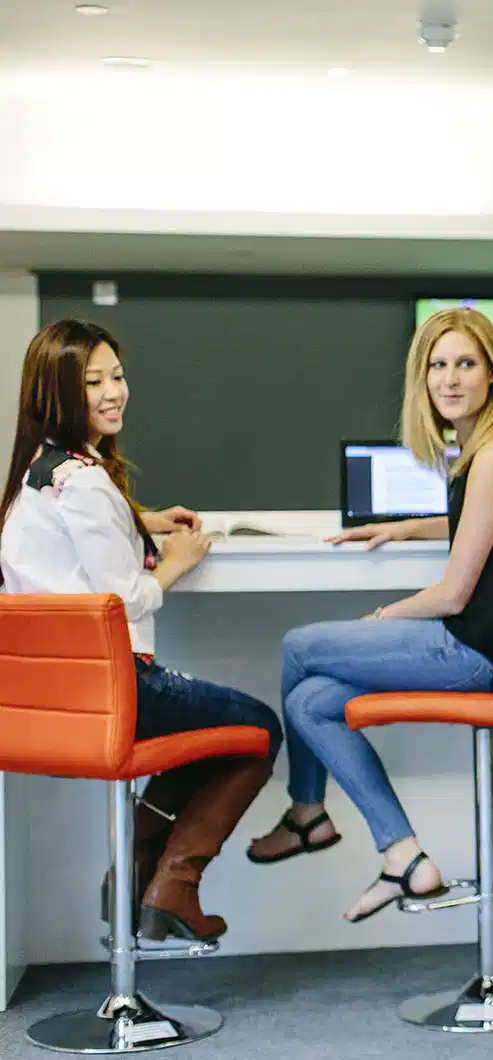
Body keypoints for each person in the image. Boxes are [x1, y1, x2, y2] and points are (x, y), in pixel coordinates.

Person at [245, 307, 493, 922]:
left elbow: (452, 596)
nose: (450, 378)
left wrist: (384, 617)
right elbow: (488, 523)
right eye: (437, 365)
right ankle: (405, 858)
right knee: (310, 702)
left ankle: (307, 811)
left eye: (465, 364)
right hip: (492, 647)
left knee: (300, 645)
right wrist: (406, 528)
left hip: (474, 652)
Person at [0, 318, 282, 943]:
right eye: (92, 382)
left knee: (208, 733)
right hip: (117, 692)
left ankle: (136, 871)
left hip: (52, 703)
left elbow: (72, 539)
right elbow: (125, 599)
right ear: (56, 394)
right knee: (259, 730)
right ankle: (174, 885)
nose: (113, 392)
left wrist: (135, 521)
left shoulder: (37, 475)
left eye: (117, 376)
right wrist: (178, 560)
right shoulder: (89, 483)